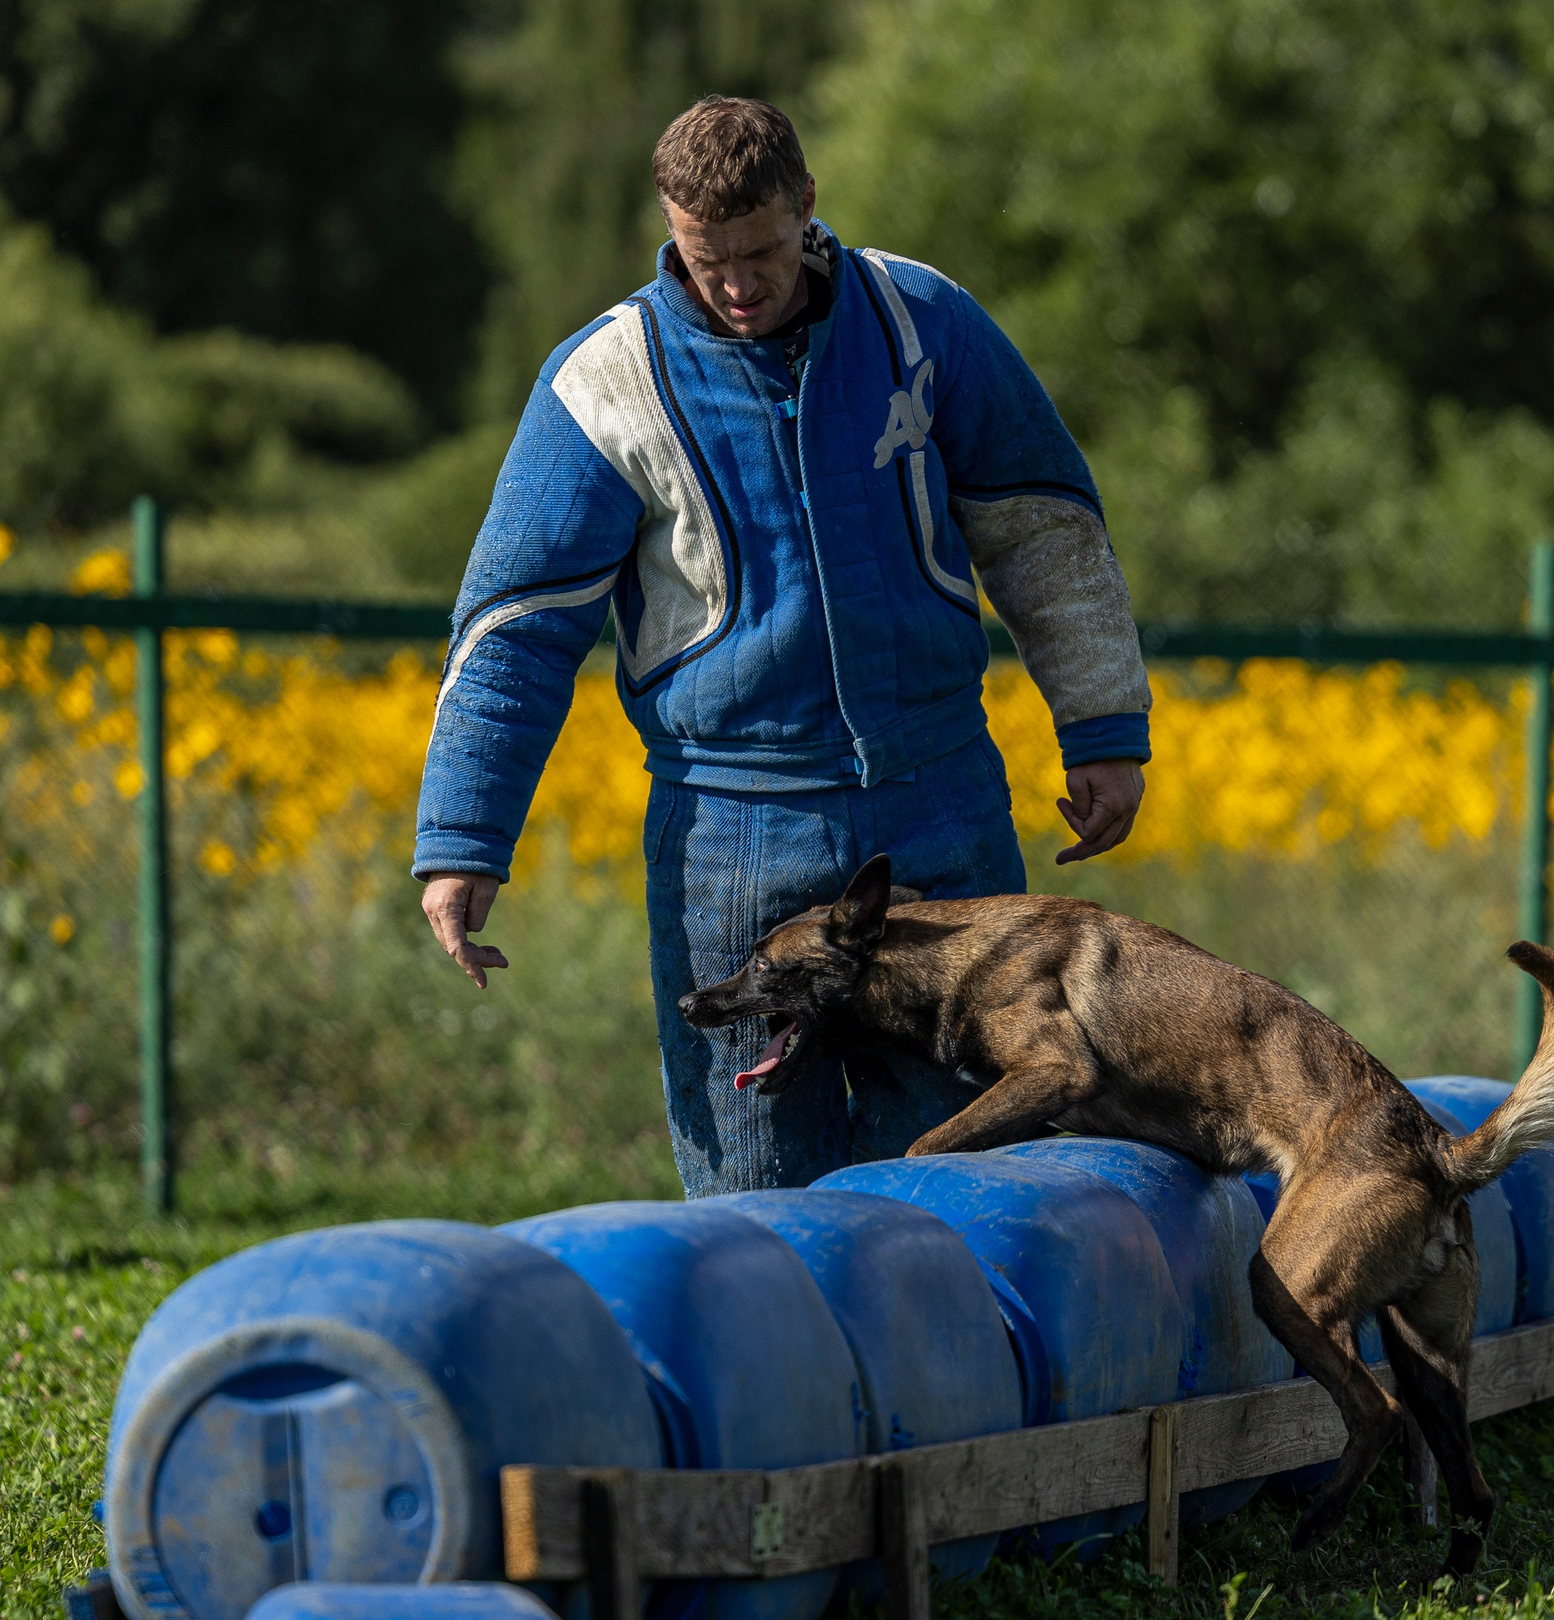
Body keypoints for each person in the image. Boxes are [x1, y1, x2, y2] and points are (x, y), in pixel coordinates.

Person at [414, 96, 1153, 1195]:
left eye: (759, 252)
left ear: (806, 206)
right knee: (754, 1194)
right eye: (707, 260)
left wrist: (1100, 726)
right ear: (672, 227)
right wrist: (462, 838)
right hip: (730, 838)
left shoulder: (922, 320)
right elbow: (516, 629)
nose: (738, 285)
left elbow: (1042, 524)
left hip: (939, 811)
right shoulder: (601, 384)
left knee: (966, 1171)